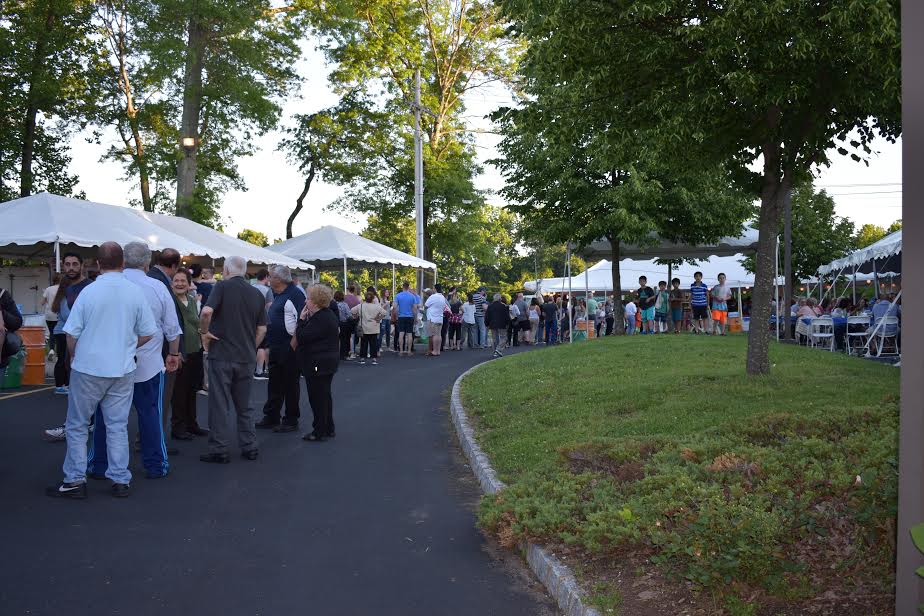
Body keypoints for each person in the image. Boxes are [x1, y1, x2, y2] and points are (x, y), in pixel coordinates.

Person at [46, 242, 158, 499]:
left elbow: (71, 333)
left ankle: (75, 479)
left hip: (89, 367)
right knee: (117, 424)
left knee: (77, 424)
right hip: (122, 367)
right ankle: (120, 479)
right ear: (122, 263)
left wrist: (74, 356)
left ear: (97, 264)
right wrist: (127, 346)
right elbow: (149, 332)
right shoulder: (135, 292)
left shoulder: (89, 292)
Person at [87, 242, 182, 480]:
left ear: (122, 260)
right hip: (147, 364)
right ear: (147, 262)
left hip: (110, 363)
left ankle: (99, 464)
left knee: (104, 416)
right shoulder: (157, 287)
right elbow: (172, 327)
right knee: (150, 415)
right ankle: (155, 465)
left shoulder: (103, 287)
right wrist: (174, 353)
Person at [198, 256, 268, 464]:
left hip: (222, 354)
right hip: (245, 357)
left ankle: (219, 449)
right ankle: (249, 446)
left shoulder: (222, 287)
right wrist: (250, 346)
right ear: (245, 270)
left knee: (219, 404)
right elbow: (262, 329)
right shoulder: (256, 293)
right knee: (244, 405)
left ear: (227, 269)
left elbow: (206, 312)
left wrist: (204, 333)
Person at [256, 265, 305, 432]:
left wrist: (292, 346)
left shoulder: (295, 294)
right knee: (275, 383)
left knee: (290, 384)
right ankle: (272, 416)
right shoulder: (279, 294)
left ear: (279, 279)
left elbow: (302, 321)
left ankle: (291, 419)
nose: (268, 279)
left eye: (271, 277)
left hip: (288, 346)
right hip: (276, 346)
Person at [296, 284, 339, 442]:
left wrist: (300, 321)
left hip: (317, 362)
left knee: (317, 397)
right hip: (327, 361)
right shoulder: (328, 315)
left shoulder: (320, 319)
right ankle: (328, 427)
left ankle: (319, 430)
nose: (305, 301)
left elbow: (302, 337)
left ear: (314, 302)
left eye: (308, 298)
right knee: (325, 396)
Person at [169, 268, 207, 439]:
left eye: (183, 280)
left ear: (189, 283)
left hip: (195, 351)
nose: (179, 284)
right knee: (179, 392)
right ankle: (178, 427)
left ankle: (192, 424)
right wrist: (176, 351)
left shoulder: (192, 300)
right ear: (171, 283)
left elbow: (197, 324)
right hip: (181, 352)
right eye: (176, 280)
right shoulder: (170, 301)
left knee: (192, 390)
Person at [352, 289, 387, 364]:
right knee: (373, 344)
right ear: (373, 298)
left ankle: (362, 358)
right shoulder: (376, 307)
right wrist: (378, 319)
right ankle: (374, 359)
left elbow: (352, 311)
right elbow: (384, 313)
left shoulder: (360, 306)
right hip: (374, 327)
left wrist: (355, 316)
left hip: (363, 327)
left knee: (363, 344)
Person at [252, 269, 273, 379]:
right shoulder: (267, 290)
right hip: (263, 319)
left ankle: (252, 368)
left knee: (253, 343)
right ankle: (259, 371)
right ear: (266, 277)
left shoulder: (251, 288)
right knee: (262, 346)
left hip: (251, 320)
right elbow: (270, 306)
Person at [394, 281, 419, 355]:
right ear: (408, 287)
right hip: (410, 317)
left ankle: (401, 351)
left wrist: (396, 315)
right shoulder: (412, 296)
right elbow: (415, 308)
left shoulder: (398, 296)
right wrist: (416, 318)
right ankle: (409, 351)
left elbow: (394, 307)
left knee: (401, 334)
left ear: (403, 287)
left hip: (401, 317)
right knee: (409, 334)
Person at [424, 283, 448, 356]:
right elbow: (444, 307)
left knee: (434, 335)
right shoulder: (442, 297)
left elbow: (426, 305)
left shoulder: (433, 296)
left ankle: (434, 350)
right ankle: (438, 351)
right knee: (439, 334)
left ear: (435, 289)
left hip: (432, 318)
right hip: (440, 318)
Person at [485, 293, 510, 358]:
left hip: (492, 324)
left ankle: (495, 352)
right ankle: (498, 350)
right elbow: (506, 316)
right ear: (500, 299)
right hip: (502, 324)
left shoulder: (490, 306)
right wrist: (508, 323)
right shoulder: (503, 306)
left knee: (494, 339)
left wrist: (486, 323)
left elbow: (487, 316)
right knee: (503, 337)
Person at [333, 290, 353, 360]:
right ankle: (344, 354)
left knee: (336, 340)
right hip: (344, 323)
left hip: (336, 324)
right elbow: (349, 315)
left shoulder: (333, 304)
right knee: (345, 340)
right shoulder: (345, 305)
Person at [42, 274, 60, 342]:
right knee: (59, 333)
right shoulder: (62, 289)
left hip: (49, 315)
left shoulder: (48, 289)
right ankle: (58, 348)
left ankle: (51, 349)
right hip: (58, 315)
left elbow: (42, 302)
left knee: (51, 332)